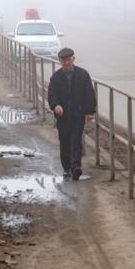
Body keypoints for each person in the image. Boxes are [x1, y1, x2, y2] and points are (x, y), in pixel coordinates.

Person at [48, 47, 96, 181]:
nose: (67, 63)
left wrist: (90, 111)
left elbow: (89, 94)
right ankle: (66, 167)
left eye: (69, 60)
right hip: (63, 116)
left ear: (73, 59)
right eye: (64, 61)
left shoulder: (83, 75)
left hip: (78, 114)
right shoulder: (56, 78)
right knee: (64, 141)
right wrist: (55, 105)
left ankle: (75, 167)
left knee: (76, 140)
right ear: (60, 61)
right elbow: (52, 95)